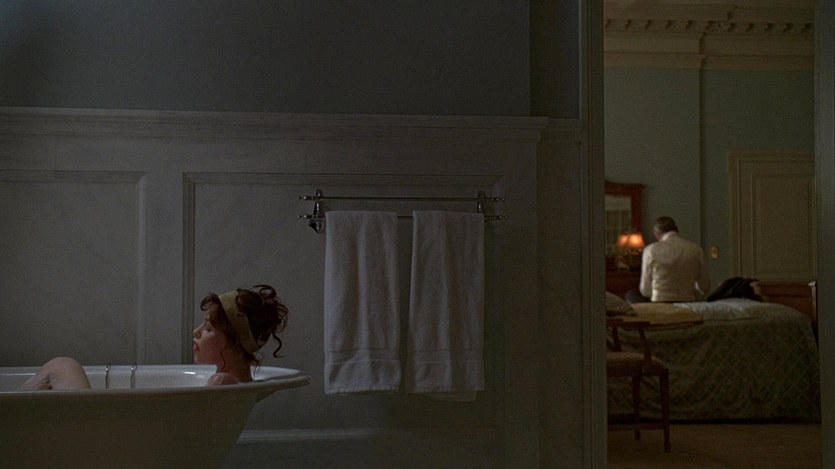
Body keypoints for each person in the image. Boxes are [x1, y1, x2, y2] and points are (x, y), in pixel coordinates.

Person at [20, 284, 288, 390]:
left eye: (207, 328)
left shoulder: (221, 383)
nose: (195, 332)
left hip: (107, 442)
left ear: (236, 343)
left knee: (62, 365)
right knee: (61, 366)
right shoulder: (238, 384)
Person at [628, 216, 710, 303]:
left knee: (630, 295)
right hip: (688, 301)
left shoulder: (650, 250)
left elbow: (645, 290)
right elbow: (704, 287)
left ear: (656, 233)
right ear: (677, 229)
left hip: (660, 302)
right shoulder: (696, 250)